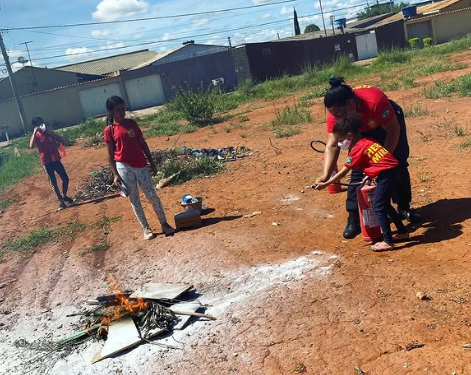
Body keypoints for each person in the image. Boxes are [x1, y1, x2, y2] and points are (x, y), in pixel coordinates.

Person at [316, 76, 421, 240]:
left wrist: (381, 163)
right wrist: (325, 174)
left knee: (396, 163)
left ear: (350, 103)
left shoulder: (374, 101)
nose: (336, 117)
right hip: (361, 130)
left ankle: (403, 207)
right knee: (358, 169)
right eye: (332, 113)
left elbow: (393, 130)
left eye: (338, 112)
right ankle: (354, 219)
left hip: (386, 125)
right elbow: (333, 145)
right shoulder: (336, 114)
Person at [316, 113, 409, 251]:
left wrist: (326, 183)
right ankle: (402, 232)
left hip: (387, 175)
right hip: (392, 171)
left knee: (378, 207)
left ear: (349, 136)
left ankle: (388, 241)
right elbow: (377, 160)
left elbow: (344, 171)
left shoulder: (356, 150)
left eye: (340, 140)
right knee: (385, 205)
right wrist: (370, 174)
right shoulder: (367, 140)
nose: (340, 144)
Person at [104, 96, 175, 240]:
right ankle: (146, 229)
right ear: (111, 112)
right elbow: (110, 156)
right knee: (135, 199)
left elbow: (143, 143)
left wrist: (152, 162)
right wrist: (115, 175)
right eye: (118, 110)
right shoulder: (109, 130)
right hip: (123, 167)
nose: (122, 112)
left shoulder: (132, 124)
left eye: (123, 109)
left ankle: (164, 224)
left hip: (141, 165)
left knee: (152, 195)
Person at [29, 117, 75, 211]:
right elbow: (31, 146)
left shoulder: (48, 132)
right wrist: (34, 132)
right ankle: (61, 202)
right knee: (53, 182)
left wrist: (60, 139)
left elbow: (58, 139)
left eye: (42, 122)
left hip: (56, 160)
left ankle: (65, 195)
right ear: (35, 126)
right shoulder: (36, 136)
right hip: (46, 162)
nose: (42, 125)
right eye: (39, 123)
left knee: (65, 178)